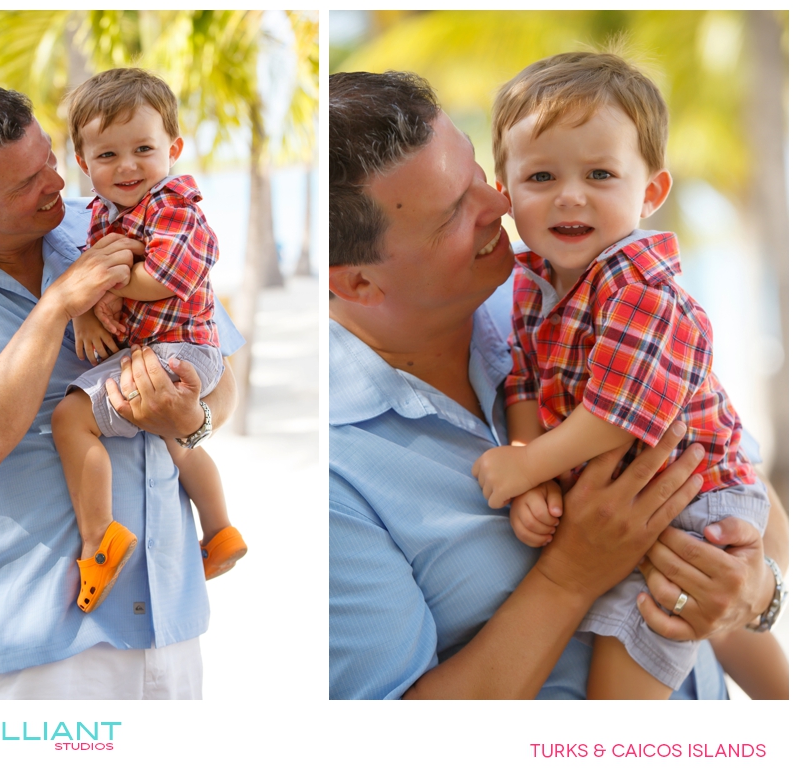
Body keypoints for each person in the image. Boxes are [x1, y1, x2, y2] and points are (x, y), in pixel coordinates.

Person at [328, 70, 788, 700]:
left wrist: (756, 595)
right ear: (355, 282)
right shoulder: (336, 473)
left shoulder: (545, 293)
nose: (498, 205)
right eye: (455, 210)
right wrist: (571, 572)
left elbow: (740, 489)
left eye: (476, 176)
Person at [0, 81, 244, 699]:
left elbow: (217, 375)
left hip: (171, 616)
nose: (55, 185)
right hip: (49, 636)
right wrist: (59, 304)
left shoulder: (114, 218)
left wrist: (190, 421)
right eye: (25, 184)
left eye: (49, 159)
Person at [471, 51, 786, 699]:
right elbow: (525, 381)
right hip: (635, 491)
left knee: (630, 669)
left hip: (697, 491)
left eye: (600, 173)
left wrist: (526, 469)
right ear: (505, 192)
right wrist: (527, 456)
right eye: (540, 176)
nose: (570, 194)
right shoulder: (533, 282)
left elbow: (622, 414)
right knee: (717, 627)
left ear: (650, 192)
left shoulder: (638, 286)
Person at [51, 68, 246, 614]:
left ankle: (98, 540)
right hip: (156, 352)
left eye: (143, 148)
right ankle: (220, 532)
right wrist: (89, 311)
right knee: (176, 442)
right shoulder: (101, 216)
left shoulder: (173, 207)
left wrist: (101, 285)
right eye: (107, 156)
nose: (128, 165)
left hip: (183, 350)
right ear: (84, 164)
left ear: (173, 148)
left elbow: (166, 278)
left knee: (71, 419)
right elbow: (96, 280)